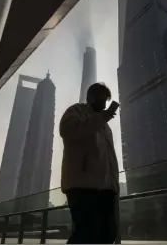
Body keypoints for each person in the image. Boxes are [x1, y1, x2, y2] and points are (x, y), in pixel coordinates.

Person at [60, 83, 120, 244]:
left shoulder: (104, 125)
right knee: (86, 234)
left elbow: (109, 158)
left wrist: (114, 185)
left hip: (106, 188)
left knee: (108, 234)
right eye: (102, 99)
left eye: (106, 101)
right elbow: (66, 129)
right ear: (91, 97)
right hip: (82, 185)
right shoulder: (77, 111)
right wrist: (101, 118)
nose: (104, 105)